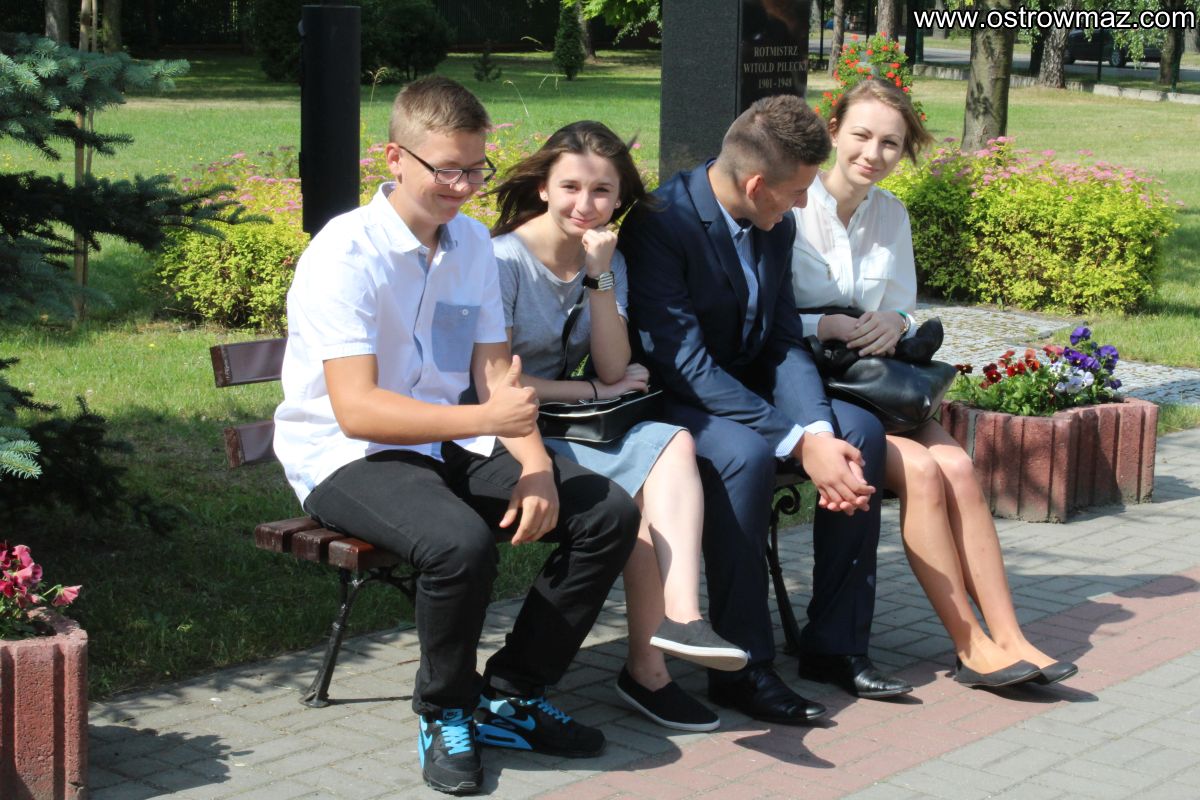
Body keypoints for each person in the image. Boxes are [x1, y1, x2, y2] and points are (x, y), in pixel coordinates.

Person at [272, 77, 640, 795]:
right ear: (395, 158)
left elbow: (496, 371)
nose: (465, 188)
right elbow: (358, 411)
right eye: (447, 170)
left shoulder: (471, 243)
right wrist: (488, 423)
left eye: (476, 169)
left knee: (607, 513)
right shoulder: (344, 253)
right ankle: (445, 710)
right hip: (348, 456)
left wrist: (535, 466)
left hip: (450, 443)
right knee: (459, 546)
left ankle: (512, 695)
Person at [618, 94, 913, 726]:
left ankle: (834, 646)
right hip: (674, 398)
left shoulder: (774, 222)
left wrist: (819, 432)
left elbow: (782, 339)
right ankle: (743, 669)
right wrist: (795, 442)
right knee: (745, 456)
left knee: (858, 433)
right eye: (797, 191)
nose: (804, 204)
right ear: (756, 184)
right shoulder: (662, 222)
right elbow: (684, 365)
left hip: (743, 388)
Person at [790, 78, 1077, 688]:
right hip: (810, 384)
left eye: (891, 143)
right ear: (833, 130)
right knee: (922, 471)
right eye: (862, 135)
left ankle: (1010, 635)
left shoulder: (891, 214)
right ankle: (970, 645)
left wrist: (894, 321)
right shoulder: (793, 203)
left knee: (960, 468)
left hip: (876, 383)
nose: (873, 154)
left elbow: (901, 305)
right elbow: (759, 312)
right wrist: (824, 323)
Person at [490, 121, 749, 733]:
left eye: (602, 190)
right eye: (571, 187)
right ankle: (647, 674)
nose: (586, 204)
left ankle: (682, 618)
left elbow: (613, 364)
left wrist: (599, 275)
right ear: (543, 188)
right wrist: (591, 391)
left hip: (568, 422)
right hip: (503, 430)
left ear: (619, 198)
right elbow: (499, 383)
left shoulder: (609, 259)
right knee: (632, 496)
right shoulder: (502, 261)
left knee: (671, 441)